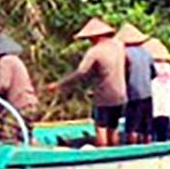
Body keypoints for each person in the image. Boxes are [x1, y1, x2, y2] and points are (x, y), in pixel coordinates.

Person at [54, 18, 126, 147]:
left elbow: (81, 72)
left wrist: (60, 83)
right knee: (113, 128)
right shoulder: (119, 46)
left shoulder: (95, 51)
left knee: (101, 128)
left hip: (104, 96)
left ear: (95, 36)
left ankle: (103, 157)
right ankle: (115, 153)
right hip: (120, 95)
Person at [0, 32, 38, 142]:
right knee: (25, 136)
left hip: (20, 105)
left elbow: (4, 85)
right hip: (30, 104)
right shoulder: (16, 60)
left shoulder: (5, 61)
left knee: (6, 137)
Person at [118, 23, 155, 145]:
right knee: (146, 128)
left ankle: (132, 147)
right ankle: (148, 149)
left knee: (132, 127)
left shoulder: (124, 54)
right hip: (148, 94)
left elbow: (123, 74)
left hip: (133, 95)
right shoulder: (147, 53)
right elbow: (153, 74)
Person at [144, 37, 170, 142]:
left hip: (153, 100)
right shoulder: (168, 67)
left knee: (151, 128)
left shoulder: (151, 66)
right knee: (165, 127)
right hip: (166, 101)